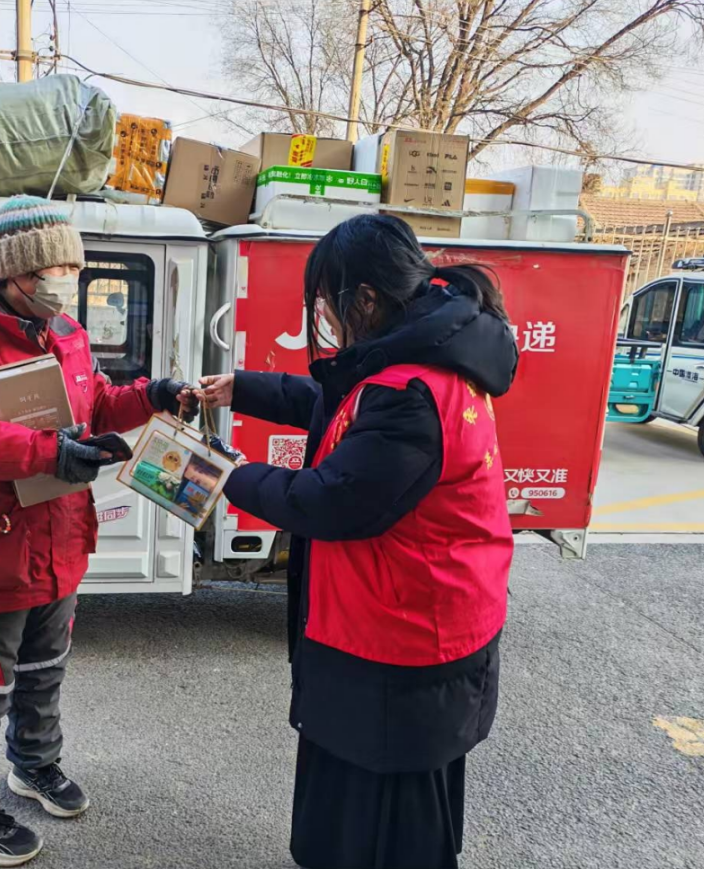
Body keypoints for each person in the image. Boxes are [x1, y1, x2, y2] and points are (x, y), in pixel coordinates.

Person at [197, 214, 517, 869]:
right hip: (410, 617)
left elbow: (330, 500)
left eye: (328, 302)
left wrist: (225, 475)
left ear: (364, 299)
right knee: (372, 806)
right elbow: (335, 402)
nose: (325, 317)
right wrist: (241, 388)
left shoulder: (412, 392)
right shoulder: (425, 350)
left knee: (388, 825)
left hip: (402, 637)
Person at [0, 195, 196, 867]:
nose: (67, 278)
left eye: (72, 266)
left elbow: (92, 405)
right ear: (14, 271)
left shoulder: (65, 332)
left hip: (57, 543)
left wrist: (150, 395)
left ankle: (33, 765)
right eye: (53, 267)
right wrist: (44, 453)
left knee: (43, 671)